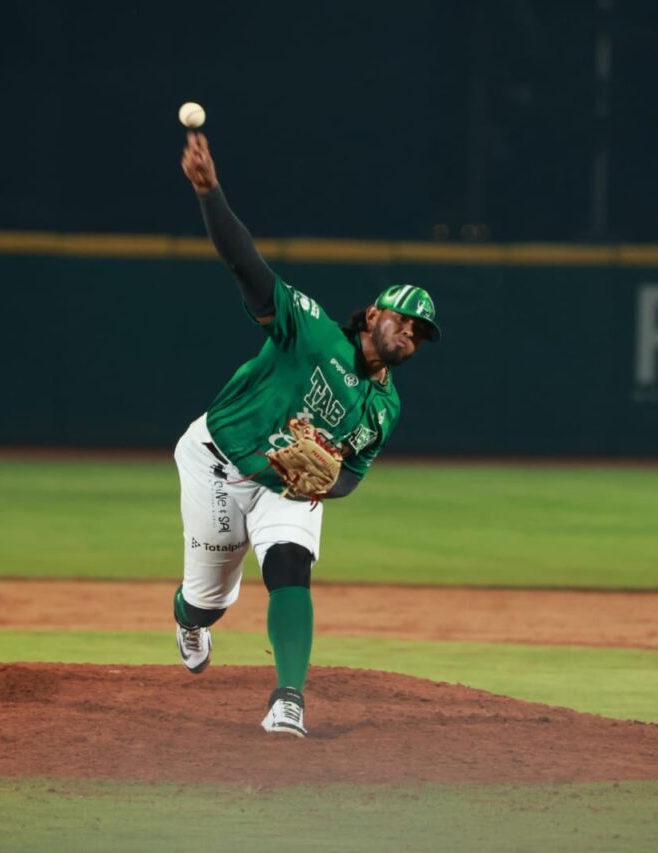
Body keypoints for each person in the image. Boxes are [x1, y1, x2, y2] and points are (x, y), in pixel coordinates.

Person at [173, 131, 440, 737]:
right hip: (216, 458)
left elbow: (352, 475)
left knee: (291, 564)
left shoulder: (385, 407)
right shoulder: (311, 330)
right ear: (374, 314)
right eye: (406, 321)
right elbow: (247, 266)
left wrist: (322, 482)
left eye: (422, 334)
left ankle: (288, 699)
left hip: (286, 487)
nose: (411, 334)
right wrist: (210, 193)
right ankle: (189, 619)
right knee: (209, 601)